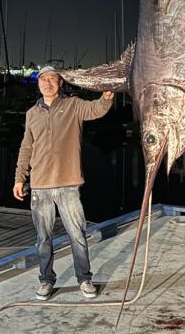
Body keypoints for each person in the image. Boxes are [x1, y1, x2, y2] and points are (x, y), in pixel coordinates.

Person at [13, 65, 113, 301]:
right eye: (43, 79)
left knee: (77, 235)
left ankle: (84, 278)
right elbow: (26, 148)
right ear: (38, 84)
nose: (47, 82)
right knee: (43, 239)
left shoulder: (73, 105)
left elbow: (96, 109)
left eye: (52, 79)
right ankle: (46, 281)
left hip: (68, 185)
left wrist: (106, 97)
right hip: (39, 188)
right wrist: (20, 178)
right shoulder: (31, 114)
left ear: (60, 83)